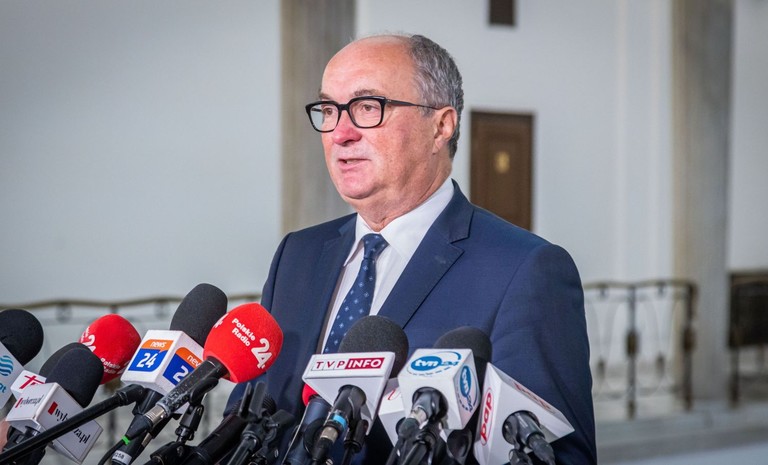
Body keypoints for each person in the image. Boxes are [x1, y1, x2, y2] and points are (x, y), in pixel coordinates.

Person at [228, 33, 596, 464]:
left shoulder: (524, 270)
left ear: (441, 126)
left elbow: (558, 456)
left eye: (368, 107)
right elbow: (246, 417)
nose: (340, 133)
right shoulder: (298, 255)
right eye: (329, 110)